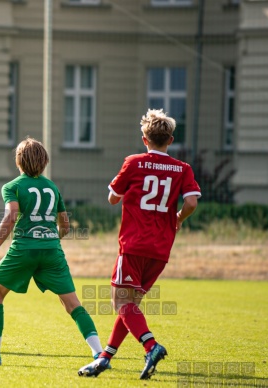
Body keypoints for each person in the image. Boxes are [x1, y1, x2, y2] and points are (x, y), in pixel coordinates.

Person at [78, 109, 200, 379]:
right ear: (170, 140)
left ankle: (151, 346)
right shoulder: (183, 169)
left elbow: (112, 198)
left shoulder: (133, 163)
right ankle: (104, 358)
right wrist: (178, 218)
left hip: (134, 244)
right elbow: (191, 202)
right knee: (130, 304)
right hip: (161, 249)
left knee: (121, 303)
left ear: (145, 139)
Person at [0, 137, 104, 366]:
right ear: (44, 162)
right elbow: (65, 225)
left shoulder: (12, 187)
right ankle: (99, 354)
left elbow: (11, 217)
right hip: (52, 250)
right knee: (73, 304)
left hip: (23, 249)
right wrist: (51, 239)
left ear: (18, 161)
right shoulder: (53, 187)